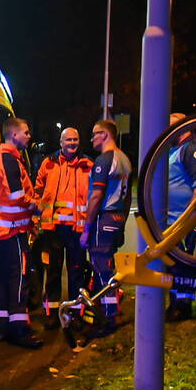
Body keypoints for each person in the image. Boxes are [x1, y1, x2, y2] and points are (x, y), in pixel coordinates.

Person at [0, 117, 42, 348]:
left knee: (4, 278)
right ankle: (20, 329)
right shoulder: (10, 161)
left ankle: (2, 326)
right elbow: (16, 196)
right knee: (19, 277)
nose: (29, 136)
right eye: (26, 133)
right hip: (15, 228)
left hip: (4, 228)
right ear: (14, 135)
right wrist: (37, 205)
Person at [35, 127, 93, 329]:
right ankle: (51, 313)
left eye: (75, 139)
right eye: (68, 139)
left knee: (77, 272)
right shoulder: (49, 163)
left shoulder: (88, 165)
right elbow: (38, 189)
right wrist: (37, 217)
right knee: (52, 271)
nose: (72, 143)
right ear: (60, 142)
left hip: (77, 230)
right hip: (53, 229)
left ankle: (76, 313)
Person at [80, 119, 133, 337]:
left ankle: (109, 317)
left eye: (94, 134)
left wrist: (86, 228)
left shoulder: (104, 160)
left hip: (104, 218)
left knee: (102, 269)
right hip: (117, 217)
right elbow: (128, 196)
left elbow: (96, 196)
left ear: (105, 135)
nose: (91, 138)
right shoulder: (125, 160)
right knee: (108, 266)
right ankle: (111, 311)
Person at [165, 113, 196, 321]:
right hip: (173, 220)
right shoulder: (175, 150)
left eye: (171, 127)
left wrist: (191, 217)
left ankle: (183, 306)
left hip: (184, 220)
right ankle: (175, 302)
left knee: (184, 264)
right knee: (174, 264)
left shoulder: (191, 149)